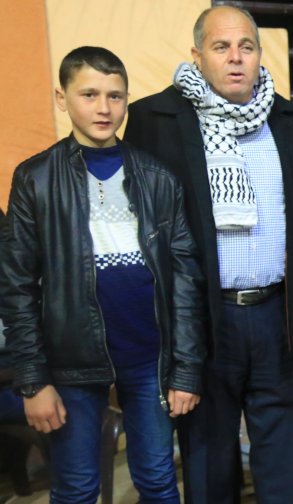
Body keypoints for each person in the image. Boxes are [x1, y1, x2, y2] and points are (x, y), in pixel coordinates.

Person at [124, 6, 293, 503]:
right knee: (209, 467)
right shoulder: (155, 120)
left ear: (259, 54)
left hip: (276, 316)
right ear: (197, 55)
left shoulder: (288, 119)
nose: (236, 58)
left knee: (286, 463)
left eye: (246, 47)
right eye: (221, 47)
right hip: (205, 322)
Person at [0, 46, 205, 504]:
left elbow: (185, 281)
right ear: (62, 97)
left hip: (149, 358)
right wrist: (33, 381)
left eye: (115, 96)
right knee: (76, 488)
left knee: (158, 481)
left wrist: (187, 369)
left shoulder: (157, 177)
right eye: (89, 94)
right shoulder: (36, 179)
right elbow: (16, 287)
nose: (104, 108)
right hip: (70, 364)